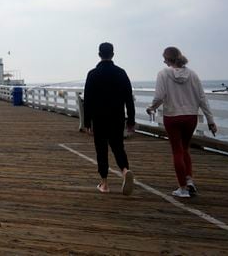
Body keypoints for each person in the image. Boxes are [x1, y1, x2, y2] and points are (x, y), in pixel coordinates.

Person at [146, 46, 217, 198]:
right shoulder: (192, 74)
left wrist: (152, 107)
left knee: (177, 151)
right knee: (185, 149)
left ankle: (183, 188)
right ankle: (189, 180)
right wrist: (210, 120)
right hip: (190, 117)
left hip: (172, 117)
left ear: (166, 59)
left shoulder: (163, 74)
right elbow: (202, 98)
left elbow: (159, 96)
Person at [82, 42, 135, 195]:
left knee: (101, 149)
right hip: (117, 116)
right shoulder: (121, 73)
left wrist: (87, 122)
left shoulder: (92, 74)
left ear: (99, 54)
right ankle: (125, 171)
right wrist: (130, 120)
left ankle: (104, 184)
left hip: (99, 118)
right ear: (113, 54)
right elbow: (128, 99)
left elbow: (88, 99)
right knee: (118, 147)